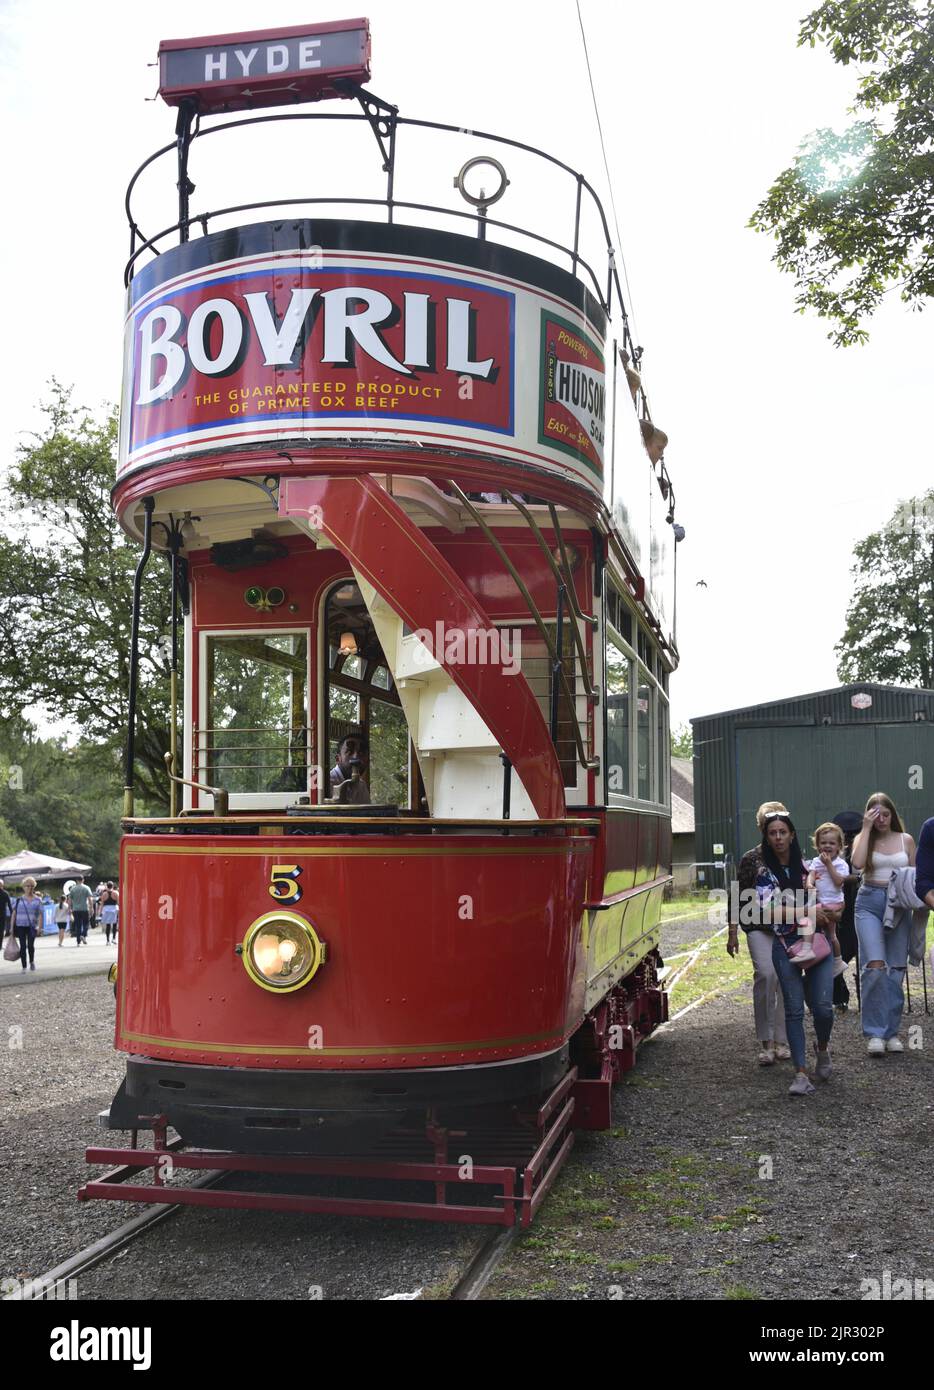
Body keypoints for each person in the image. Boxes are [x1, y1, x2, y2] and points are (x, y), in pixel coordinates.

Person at [760, 812, 835, 1096]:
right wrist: (807, 910)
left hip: (816, 941)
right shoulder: (764, 874)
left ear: (792, 835)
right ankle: (801, 1073)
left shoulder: (810, 869)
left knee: (823, 1008)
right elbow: (768, 911)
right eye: (772, 833)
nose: (778, 837)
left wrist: (827, 912)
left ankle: (823, 1048)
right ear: (767, 838)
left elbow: (832, 903)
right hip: (784, 943)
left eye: (783, 832)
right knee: (793, 1009)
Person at [850, 792, 916, 1056]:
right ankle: (875, 1033)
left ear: (893, 814)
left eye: (885, 814)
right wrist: (865, 828)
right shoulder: (863, 838)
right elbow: (856, 865)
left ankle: (891, 1032)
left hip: (899, 904)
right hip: (869, 902)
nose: (881, 820)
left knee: (895, 969)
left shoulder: (906, 840)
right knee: (875, 966)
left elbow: (914, 875)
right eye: (875, 815)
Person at [728, 800, 791, 1065]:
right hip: (757, 926)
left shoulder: (794, 855)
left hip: (788, 926)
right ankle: (765, 1041)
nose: (775, 834)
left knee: (785, 981)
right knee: (766, 975)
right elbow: (736, 895)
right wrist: (732, 931)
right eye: (768, 825)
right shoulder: (751, 859)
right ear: (761, 827)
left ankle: (783, 1040)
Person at [802, 823, 848, 964]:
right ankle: (837, 961)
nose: (827, 846)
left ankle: (807, 949)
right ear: (817, 845)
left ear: (839, 846)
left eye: (832, 843)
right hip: (822, 901)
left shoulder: (841, 864)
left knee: (807, 918)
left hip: (834, 903)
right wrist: (809, 884)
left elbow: (839, 881)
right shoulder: (816, 861)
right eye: (823, 843)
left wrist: (828, 865)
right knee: (830, 935)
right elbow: (811, 874)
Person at [830, 811, 863, 1012]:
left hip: (860, 913)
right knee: (837, 958)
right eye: (847, 836)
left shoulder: (862, 854)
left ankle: (863, 994)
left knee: (863, 957)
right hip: (840, 916)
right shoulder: (832, 857)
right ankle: (839, 996)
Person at [10, 876, 43, 972]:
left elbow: (41, 915)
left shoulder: (38, 900)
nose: (30, 888)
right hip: (20, 926)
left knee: (31, 946)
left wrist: (40, 928)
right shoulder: (19, 900)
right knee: (23, 946)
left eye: (32, 886)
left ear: (34, 887)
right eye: (27, 886)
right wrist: (11, 927)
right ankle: (24, 966)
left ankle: (32, 961)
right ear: (24, 887)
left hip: (32, 926)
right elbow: (14, 914)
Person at [329, 732, 371, 805]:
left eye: (361, 753)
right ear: (338, 759)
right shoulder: (328, 783)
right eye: (349, 752)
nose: (356, 758)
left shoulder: (361, 785)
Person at [68, 874, 93, 946]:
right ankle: (83, 934)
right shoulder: (86, 888)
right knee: (86, 923)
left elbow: (69, 899)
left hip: (75, 909)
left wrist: (69, 908)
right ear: (83, 880)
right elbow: (90, 898)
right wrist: (91, 908)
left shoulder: (72, 889)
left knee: (78, 925)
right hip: (84, 908)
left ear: (76, 880)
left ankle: (78, 941)